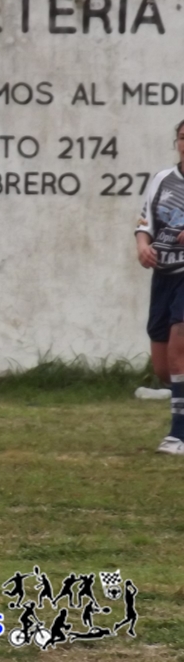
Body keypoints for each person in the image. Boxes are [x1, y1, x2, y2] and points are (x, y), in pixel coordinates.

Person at [135, 118, 184, 454]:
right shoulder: (162, 179)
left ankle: (177, 435)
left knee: (179, 351)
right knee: (164, 368)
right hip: (162, 275)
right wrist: (142, 245)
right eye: (183, 137)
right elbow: (144, 223)